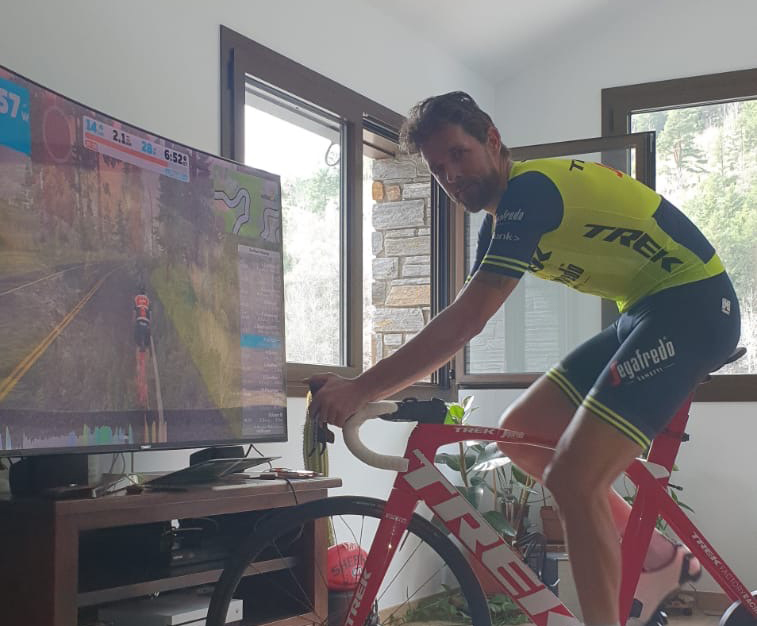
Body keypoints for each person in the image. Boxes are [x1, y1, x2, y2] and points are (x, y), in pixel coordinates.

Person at [309, 91, 741, 626]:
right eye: (439, 169)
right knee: (524, 431)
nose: (451, 176)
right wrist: (367, 387)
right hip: (646, 309)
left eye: (459, 154)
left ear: (493, 140)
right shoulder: (497, 225)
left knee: (576, 479)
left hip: (694, 305)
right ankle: (656, 558)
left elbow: (467, 321)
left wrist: (360, 388)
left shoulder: (529, 193)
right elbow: (460, 324)